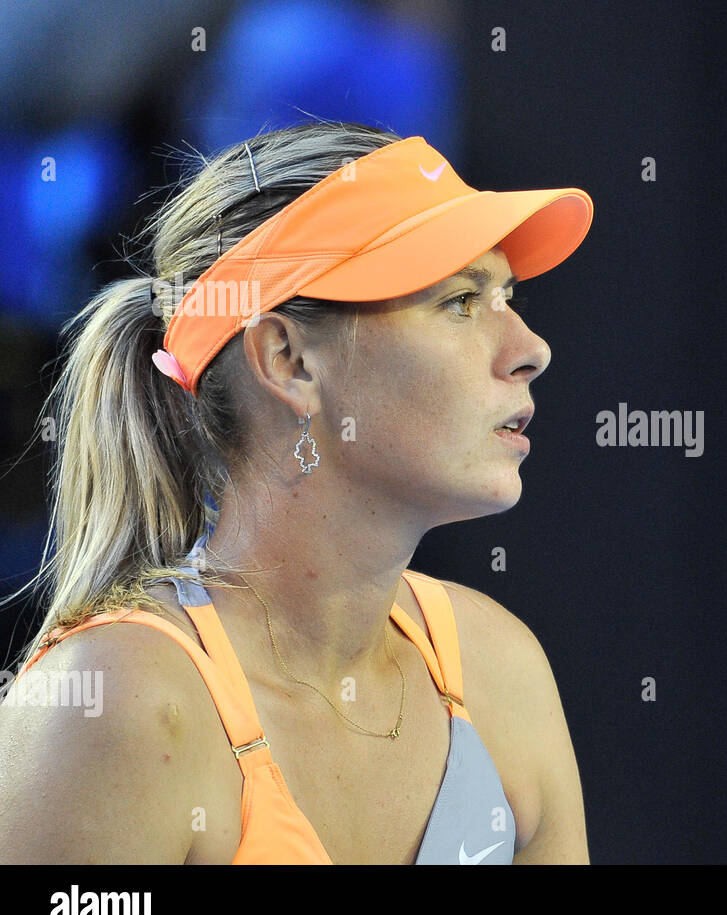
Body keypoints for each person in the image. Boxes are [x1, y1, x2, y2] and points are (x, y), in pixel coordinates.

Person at [0, 121, 594, 864]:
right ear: (288, 360)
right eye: (461, 302)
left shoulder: (501, 668)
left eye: (508, 295)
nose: (530, 349)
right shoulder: (113, 706)